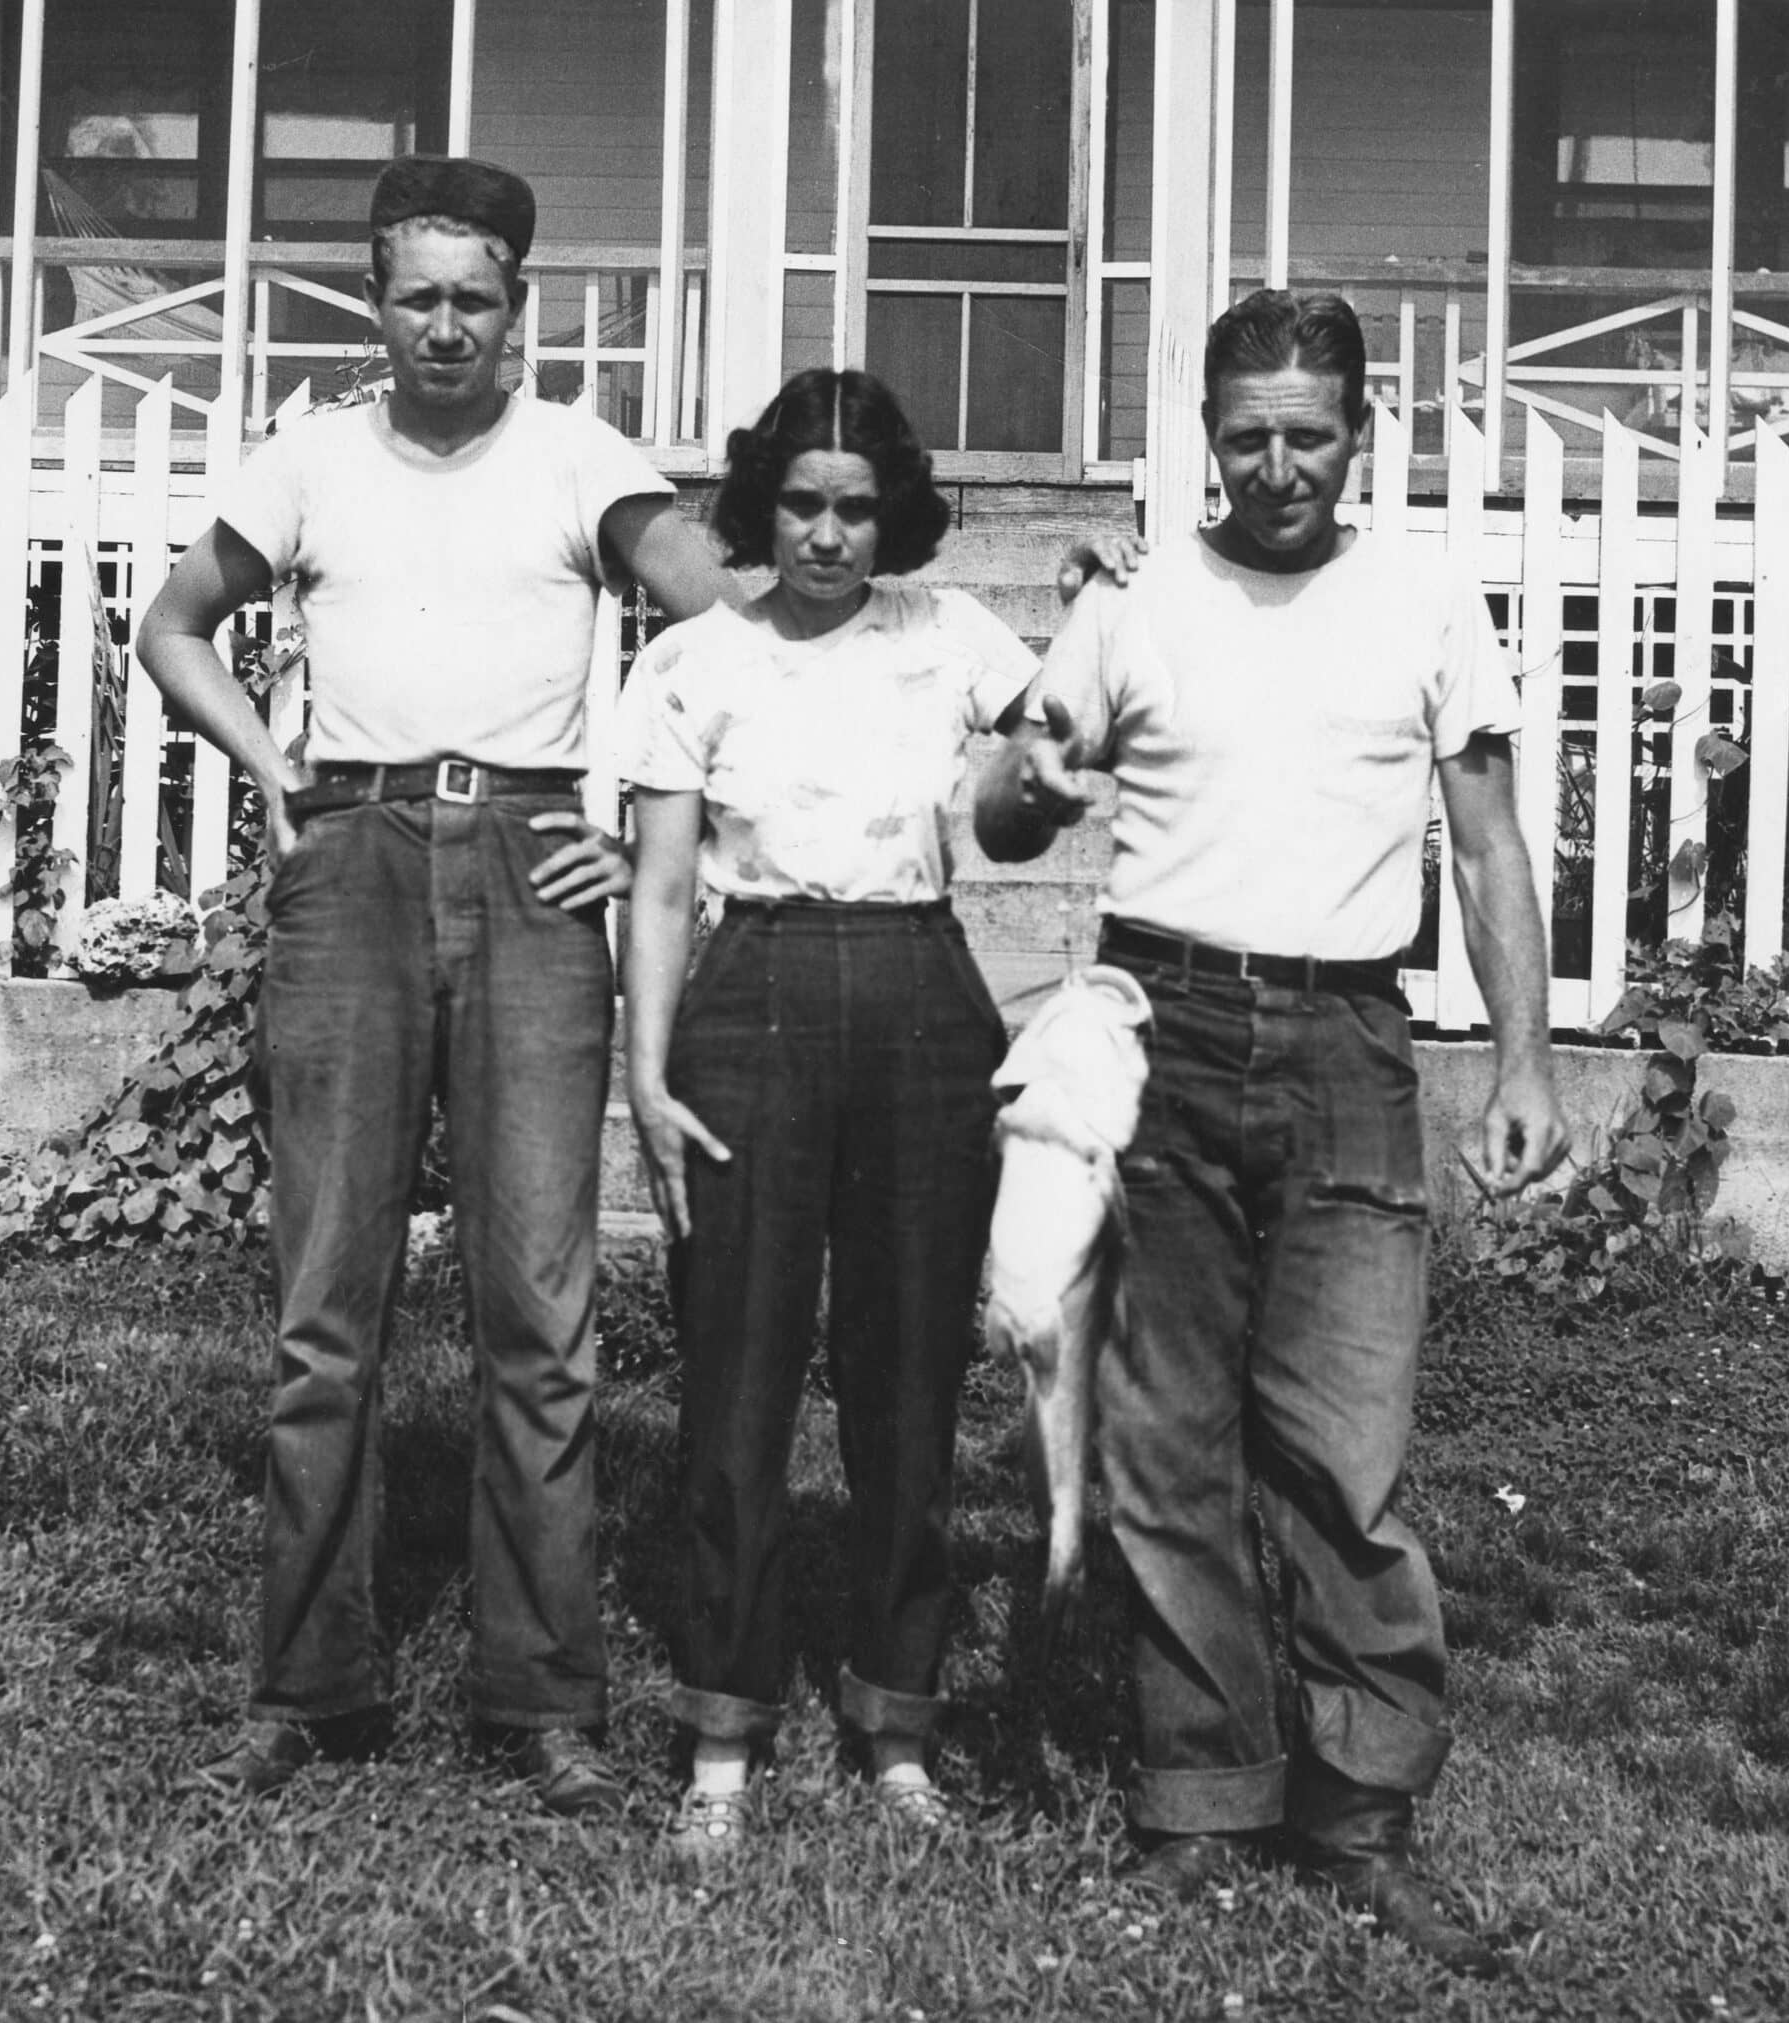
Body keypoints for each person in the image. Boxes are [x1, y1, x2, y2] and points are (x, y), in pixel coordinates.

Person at [136, 155, 738, 1811]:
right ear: (376, 304)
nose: (449, 326)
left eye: (479, 297)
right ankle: (306, 1686)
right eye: (418, 296)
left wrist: (643, 839)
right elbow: (173, 624)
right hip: (355, 867)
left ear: (520, 305)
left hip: (538, 874)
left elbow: (724, 626)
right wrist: (268, 764)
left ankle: (538, 1701)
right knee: (325, 1312)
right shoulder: (312, 460)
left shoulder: (579, 459)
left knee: (541, 1315)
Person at [975, 290, 1568, 1970]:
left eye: (1310, 432)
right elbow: (1013, 817)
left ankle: (1364, 1811)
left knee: (1346, 1454)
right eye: (1248, 436)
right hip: (1164, 1033)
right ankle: (1202, 1798)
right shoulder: (1140, 602)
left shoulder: (1426, 600)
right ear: (1209, 441)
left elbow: (1490, 846)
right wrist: (1030, 769)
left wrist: (1527, 1063)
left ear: (1361, 431)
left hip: (1351, 1041)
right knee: (1162, 1449)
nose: (1279, 465)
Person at [622, 367, 1135, 1861]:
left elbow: (1054, 748)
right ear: (759, 507)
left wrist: (1094, 607)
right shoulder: (695, 661)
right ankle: (724, 1727)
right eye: (802, 504)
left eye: (856, 508)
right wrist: (649, 1079)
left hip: (920, 988)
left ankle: (894, 1713)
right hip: (753, 994)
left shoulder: (950, 634)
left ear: (890, 515)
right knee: (739, 1368)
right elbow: (659, 889)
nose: (830, 535)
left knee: (906, 1371)